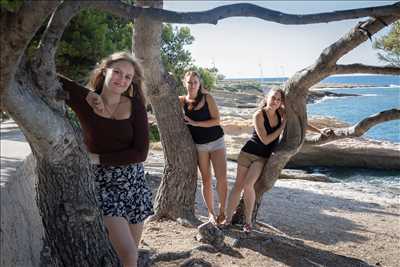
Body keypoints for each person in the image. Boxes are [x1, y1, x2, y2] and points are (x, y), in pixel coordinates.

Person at [58, 51, 153, 267]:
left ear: (132, 82)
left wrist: (97, 158)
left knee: (129, 255)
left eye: (128, 77)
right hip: (103, 185)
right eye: (117, 72)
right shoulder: (86, 100)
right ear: (104, 71)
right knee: (128, 254)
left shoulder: (135, 105)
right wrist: (89, 94)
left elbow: (141, 153)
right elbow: (48, 75)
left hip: (133, 184)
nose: (121, 79)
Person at [223, 87, 286, 233]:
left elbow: (300, 121)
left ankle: (248, 222)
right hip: (247, 153)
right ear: (267, 98)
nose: (275, 101)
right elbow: (265, 140)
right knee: (238, 186)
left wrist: (320, 131)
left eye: (278, 99)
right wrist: (282, 126)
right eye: (273, 98)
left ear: (281, 102)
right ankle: (227, 220)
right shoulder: (259, 114)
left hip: (262, 158)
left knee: (248, 185)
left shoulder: (281, 113)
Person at [179, 70, 228, 225]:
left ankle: (222, 210)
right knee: (206, 180)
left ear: (199, 83)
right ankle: (211, 214)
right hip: (199, 146)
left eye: (195, 82)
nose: (192, 84)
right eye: (189, 82)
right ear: (184, 83)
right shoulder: (181, 101)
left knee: (221, 178)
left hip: (217, 142)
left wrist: (195, 123)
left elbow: (217, 120)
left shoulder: (208, 98)